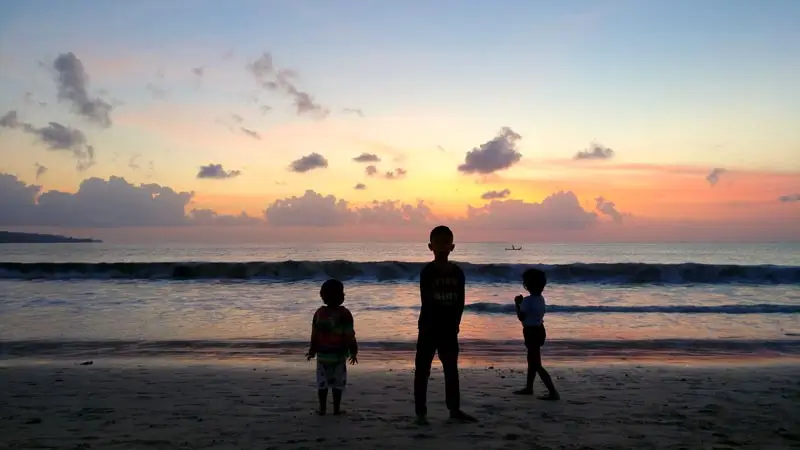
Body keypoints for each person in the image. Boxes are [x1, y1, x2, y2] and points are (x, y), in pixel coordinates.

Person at [414, 225, 477, 425]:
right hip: (428, 327)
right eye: (438, 242)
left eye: (446, 242)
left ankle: (454, 409)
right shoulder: (428, 272)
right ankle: (420, 412)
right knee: (422, 370)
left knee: (451, 369)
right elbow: (426, 300)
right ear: (430, 246)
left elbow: (460, 301)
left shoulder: (457, 272)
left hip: (449, 328)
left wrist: (456, 322)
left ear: (452, 246)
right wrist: (429, 324)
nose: (442, 246)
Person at [306, 279, 358, 415]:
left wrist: (312, 350)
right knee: (337, 384)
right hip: (339, 356)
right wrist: (354, 351)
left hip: (322, 355)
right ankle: (336, 409)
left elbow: (315, 334)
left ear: (323, 296)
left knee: (322, 383)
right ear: (340, 296)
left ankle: (322, 409)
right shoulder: (345, 314)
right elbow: (349, 335)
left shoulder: (319, 313)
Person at [513, 268, 560, 400]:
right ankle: (529, 387)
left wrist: (517, 304)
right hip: (539, 330)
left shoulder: (527, 301)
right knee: (532, 360)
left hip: (530, 332)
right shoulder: (541, 299)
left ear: (527, 285)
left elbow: (521, 317)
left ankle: (553, 392)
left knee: (536, 363)